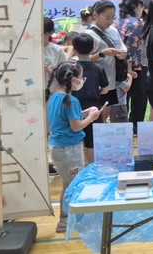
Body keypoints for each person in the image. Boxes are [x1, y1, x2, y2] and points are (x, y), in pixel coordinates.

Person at [46, 61, 100, 233]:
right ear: (74, 79)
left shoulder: (55, 96)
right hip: (68, 149)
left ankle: (69, 218)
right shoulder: (71, 100)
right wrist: (91, 118)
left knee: (68, 183)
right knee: (71, 185)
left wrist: (84, 113)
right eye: (82, 77)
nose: (83, 80)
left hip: (59, 147)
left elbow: (66, 120)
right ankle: (65, 220)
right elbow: (76, 126)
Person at [86, 0, 128, 123]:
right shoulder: (89, 35)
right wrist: (102, 53)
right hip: (98, 83)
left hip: (112, 80)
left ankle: (102, 132)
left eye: (113, 18)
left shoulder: (113, 30)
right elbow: (83, 60)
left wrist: (122, 54)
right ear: (95, 15)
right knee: (95, 114)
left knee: (106, 113)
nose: (110, 22)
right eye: (107, 18)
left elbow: (121, 47)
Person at [70, 33, 109, 164]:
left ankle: (78, 168)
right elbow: (105, 89)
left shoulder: (71, 68)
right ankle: (91, 168)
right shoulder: (98, 68)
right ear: (92, 49)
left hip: (74, 107)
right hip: (94, 107)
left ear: (74, 50)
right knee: (92, 142)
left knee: (75, 139)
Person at [115, 0, 146, 134]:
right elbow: (131, 47)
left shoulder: (119, 22)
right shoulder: (135, 23)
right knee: (139, 99)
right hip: (134, 67)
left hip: (119, 65)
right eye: (140, 7)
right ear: (135, 8)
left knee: (123, 98)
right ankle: (135, 127)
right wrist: (130, 68)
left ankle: (123, 126)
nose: (142, 10)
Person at [43, 17, 67, 92]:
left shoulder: (57, 50)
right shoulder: (28, 49)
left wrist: (49, 70)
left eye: (42, 33)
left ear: (51, 32)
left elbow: (64, 73)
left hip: (52, 92)